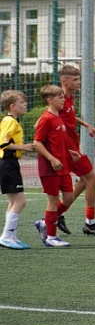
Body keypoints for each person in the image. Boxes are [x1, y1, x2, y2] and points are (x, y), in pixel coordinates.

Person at [56, 65, 95, 236]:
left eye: (78, 79)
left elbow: (68, 116)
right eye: (75, 79)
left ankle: (57, 214)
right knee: (93, 180)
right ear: (64, 81)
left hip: (72, 147)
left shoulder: (68, 99)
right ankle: (89, 223)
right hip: (68, 149)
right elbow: (50, 121)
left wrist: (85, 124)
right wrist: (66, 149)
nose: (79, 82)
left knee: (84, 181)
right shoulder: (58, 98)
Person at [33, 85, 77, 247]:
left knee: (69, 197)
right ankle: (51, 236)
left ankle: (46, 222)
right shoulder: (46, 119)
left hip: (63, 166)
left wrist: (70, 152)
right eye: (60, 97)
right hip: (50, 168)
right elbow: (37, 143)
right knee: (52, 200)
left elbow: (58, 141)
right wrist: (51, 159)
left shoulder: (58, 118)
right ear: (50, 100)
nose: (63, 100)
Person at [0, 90, 34, 249]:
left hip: (9, 163)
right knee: (20, 201)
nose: (25, 104)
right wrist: (24, 147)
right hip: (8, 162)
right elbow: (3, 144)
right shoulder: (10, 122)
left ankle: (10, 235)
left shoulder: (12, 121)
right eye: (22, 102)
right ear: (12, 106)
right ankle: (7, 236)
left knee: (13, 201)